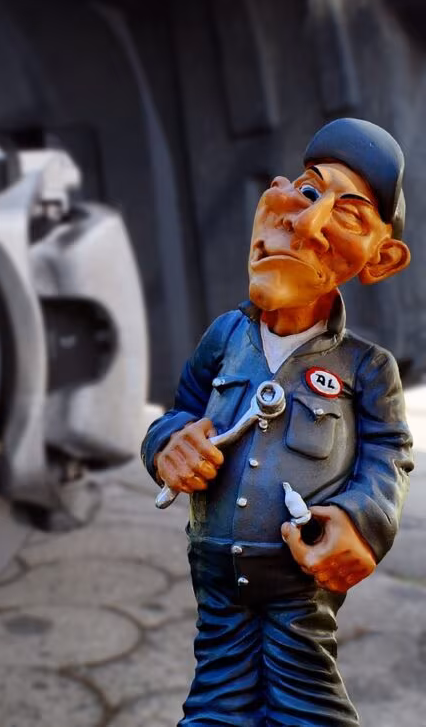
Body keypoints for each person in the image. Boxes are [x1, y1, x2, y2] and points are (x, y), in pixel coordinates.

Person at [140, 118, 414, 726]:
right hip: (217, 573)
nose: (308, 222)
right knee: (216, 706)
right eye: (309, 191)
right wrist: (168, 445)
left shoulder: (367, 368)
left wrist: (361, 522)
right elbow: (180, 409)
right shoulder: (225, 338)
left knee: (307, 707)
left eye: (348, 214)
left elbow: (389, 456)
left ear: (382, 257)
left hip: (299, 585)